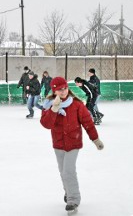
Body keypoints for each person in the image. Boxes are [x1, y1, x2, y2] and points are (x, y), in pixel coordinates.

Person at [40, 77, 104, 214]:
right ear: (54, 90)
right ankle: (68, 193)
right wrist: (54, 109)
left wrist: (95, 139)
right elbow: (46, 124)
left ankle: (73, 200)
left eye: (65, 88)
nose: (63, 91)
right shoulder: (48, 104)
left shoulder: (76, 104)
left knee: (68, 171)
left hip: (73, 142)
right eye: (59, 89)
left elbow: (87, 122)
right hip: (58, 143)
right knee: (63, 172)